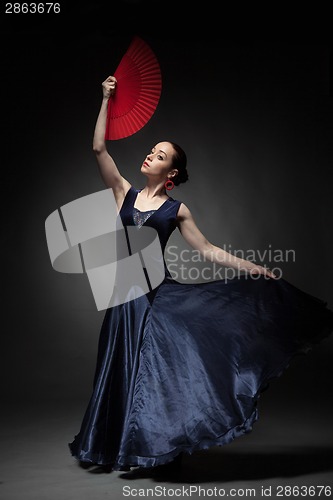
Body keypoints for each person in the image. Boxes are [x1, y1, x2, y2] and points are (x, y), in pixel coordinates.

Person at [68, 76, 333, 475]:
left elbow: (207, 251)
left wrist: (254, 268)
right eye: (151, 151)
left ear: (170, 173)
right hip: (121, 298)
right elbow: (98, 147)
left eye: (159, 156)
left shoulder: (177, 210)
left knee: (148, 374)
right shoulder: (123, 192)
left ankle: (145, 446)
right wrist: (105, 98)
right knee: (115, 368)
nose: (150, 156)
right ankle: (108, 447)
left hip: (154, 298)